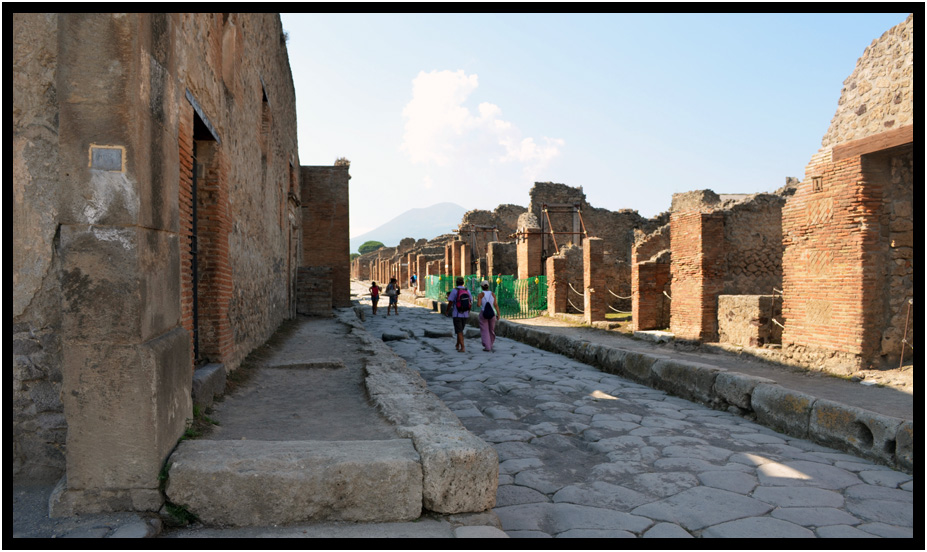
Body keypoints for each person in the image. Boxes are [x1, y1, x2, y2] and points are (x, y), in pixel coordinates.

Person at [446, 277, 471, 353]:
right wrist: (468, 311)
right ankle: (457, 344)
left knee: (459, 330)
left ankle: (462, 347)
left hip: (457, 314)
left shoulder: (455, 290)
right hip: (465, 314)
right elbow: (470, 301)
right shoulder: (467, 290)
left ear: (456, 283)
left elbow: (450, 302)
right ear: (463, 283)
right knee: (460, 330)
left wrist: (447, 311)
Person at [477, 280, 498, 352]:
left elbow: (478, 305)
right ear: (488, 286)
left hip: (484, 313)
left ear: (481, 287)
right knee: (491, 330)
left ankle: (487, 346)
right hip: (492, 314)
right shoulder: (493, 294)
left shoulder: (480, 295)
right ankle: (491, 344)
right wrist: (498, 314)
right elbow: (496, 305)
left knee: (484, 330)